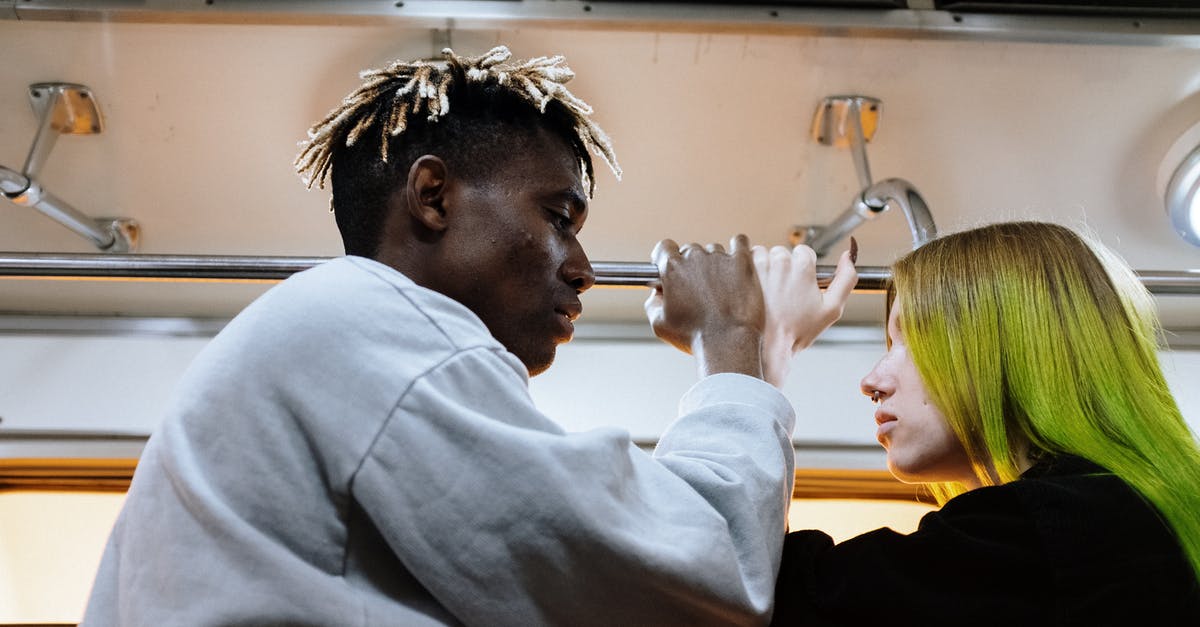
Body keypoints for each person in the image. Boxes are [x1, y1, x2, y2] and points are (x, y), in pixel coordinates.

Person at [82, 46, 857, 626]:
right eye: (559, 217)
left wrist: (761, 357)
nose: (582, 268)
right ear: (432, 196)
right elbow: (697, 581)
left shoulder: (325, 336)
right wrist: (731, 344)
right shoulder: (363, 324)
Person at [766, 221, 1200, 625]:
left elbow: (768, 604)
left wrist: (748, 351)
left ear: (1007, 349)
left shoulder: (1052, 530)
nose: (871, 382)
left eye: (913, 337)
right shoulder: (1123, 518)